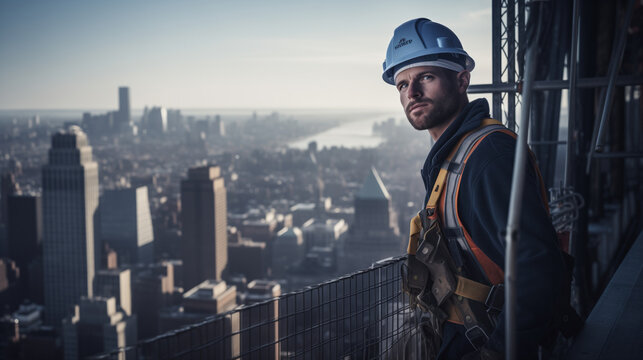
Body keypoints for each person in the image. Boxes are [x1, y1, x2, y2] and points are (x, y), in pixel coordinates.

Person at [382, 18, 568, 359]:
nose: (412, 93)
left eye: (426, 77)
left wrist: (498, 353)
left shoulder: (488, 157)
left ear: (461, 79)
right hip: (467, 335)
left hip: (485, 341)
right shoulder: (454, 155)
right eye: (402, 85)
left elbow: (538, 269)